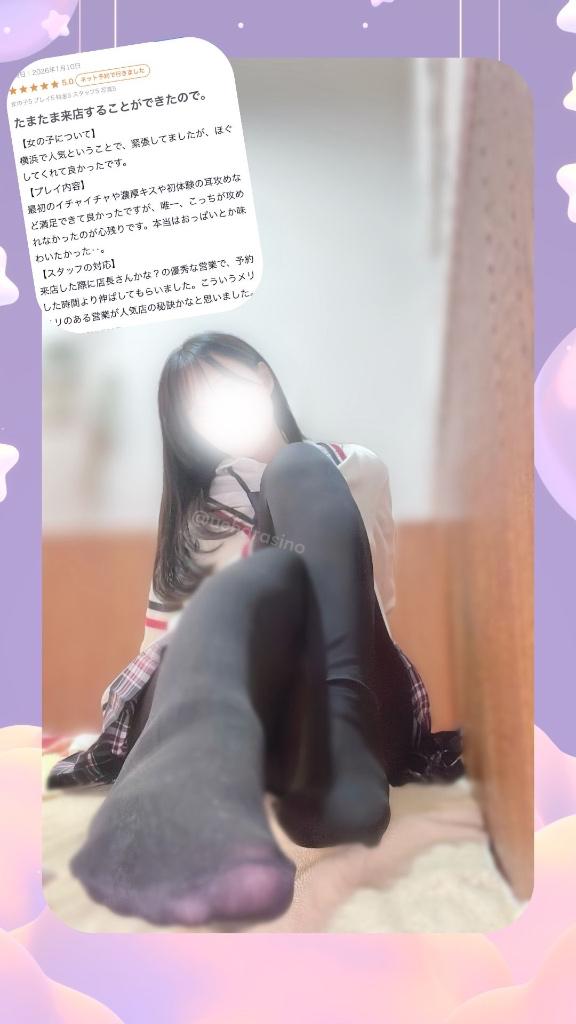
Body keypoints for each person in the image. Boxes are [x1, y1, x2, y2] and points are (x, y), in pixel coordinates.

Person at [48, 331, 463, 928]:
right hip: (224, 712)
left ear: (263, 377)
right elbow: (160, 648)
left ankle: (337, 758)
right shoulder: (195, 520)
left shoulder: (358, 469)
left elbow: (377, 601)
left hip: (337, 699)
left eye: (223, 385)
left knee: (297, 468)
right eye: (195, 406)